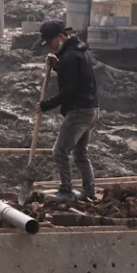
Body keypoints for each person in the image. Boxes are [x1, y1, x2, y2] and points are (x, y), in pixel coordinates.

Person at [36, 20, 99, 203]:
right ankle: (89, 190)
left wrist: (45, 105)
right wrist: (57, 66)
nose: (49, 45)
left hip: (79, 111)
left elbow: (68, 90)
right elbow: (74, 78)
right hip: (91, 108)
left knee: (60, 151)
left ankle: (66, 190)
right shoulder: (78, 51)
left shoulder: (71, 56)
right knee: (80, 153)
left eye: (50, 42)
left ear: (61, 37)